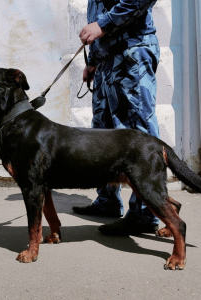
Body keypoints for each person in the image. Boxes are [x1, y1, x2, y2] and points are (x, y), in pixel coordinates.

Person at [73, 0, 160, 235]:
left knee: (137, 136)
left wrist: (102, 24)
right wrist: (92, 61)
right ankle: (108, 201)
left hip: (131, 51)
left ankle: (145, 212)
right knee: (103, 134)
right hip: (106, 59)